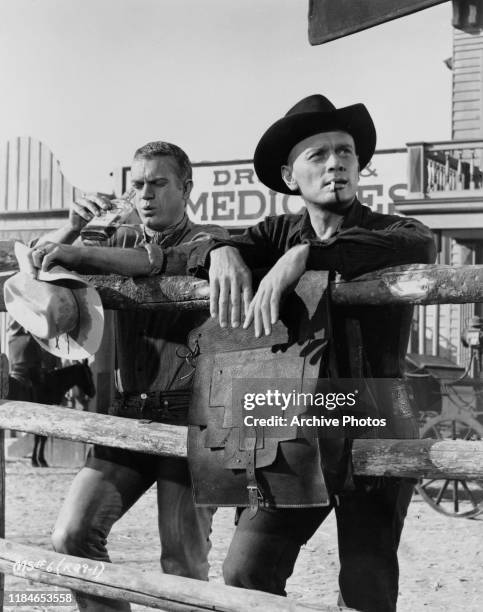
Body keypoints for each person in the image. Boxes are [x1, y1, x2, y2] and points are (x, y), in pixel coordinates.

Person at [178, 95, 437, 612]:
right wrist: (220, 250)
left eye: (344, 151)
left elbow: (418, 246)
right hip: (291, 416)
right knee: (246, 569)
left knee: (367, 584)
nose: (335, 161)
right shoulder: (274, 232)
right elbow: (189, 251)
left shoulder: (393, 231)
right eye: (317, 154)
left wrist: (308, 255)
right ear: (289, 176)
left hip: (375, 412)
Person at [26, 141, 228, 611]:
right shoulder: (116, 238)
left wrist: (78, 254)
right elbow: (38, 265)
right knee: (71, 535)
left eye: (158, 183)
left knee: (183, 566)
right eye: (137, 184)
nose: (145, 194)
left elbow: (153, 264)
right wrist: (74, 227)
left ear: (186, 189)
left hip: (193, 419)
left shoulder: (213, 241)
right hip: (126, 415)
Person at [7, 320, 95, 467]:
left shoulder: (14, 339)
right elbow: (37, 360)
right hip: (30, 376)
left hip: (22, 372)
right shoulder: (29, 339)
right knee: (42, 408)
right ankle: (38, 456)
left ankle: (37, 456)